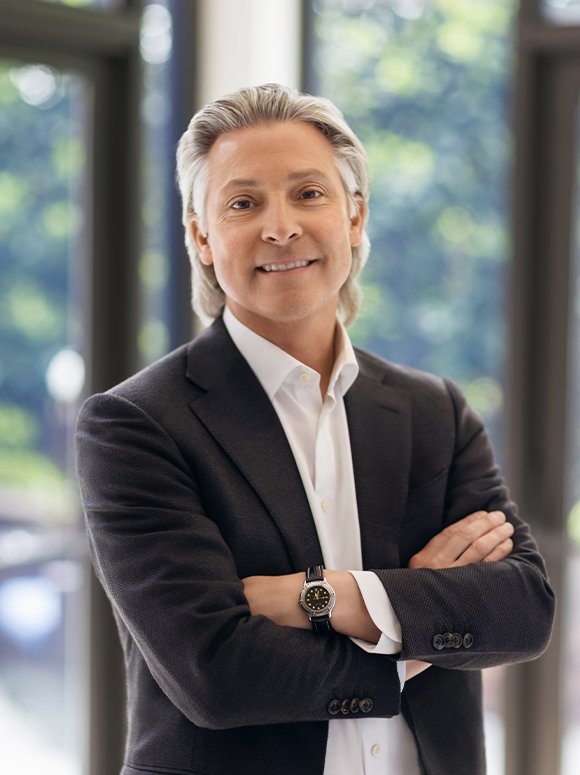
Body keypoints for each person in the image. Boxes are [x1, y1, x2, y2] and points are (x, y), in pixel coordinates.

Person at [75, 83, 554, 775]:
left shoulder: (434, 412)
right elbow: (218, 673)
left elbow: (523, 610)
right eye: (244, 203)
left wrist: (318, 595)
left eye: (308, 193)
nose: (280, 226)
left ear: (355, 216)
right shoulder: (136, 424)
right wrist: (416, 616)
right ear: (201, 236)